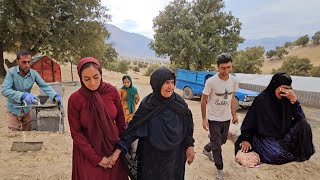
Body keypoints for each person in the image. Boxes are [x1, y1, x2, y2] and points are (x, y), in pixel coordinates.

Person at [115, 67, 195, 180]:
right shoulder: (148, 105)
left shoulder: (179, 103)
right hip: (151, 159)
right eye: (166, 82)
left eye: (172, 82)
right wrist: (119, 150)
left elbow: (188, 125)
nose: (170, 87)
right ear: (157, 83)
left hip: (175, 157)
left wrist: (189, 145)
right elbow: (133, 129)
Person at [67, 57, 128, 180]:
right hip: (88, 155)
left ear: (101, 73)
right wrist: (97, 159)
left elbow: (121, 123)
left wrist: (118, 151)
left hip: (113, 152)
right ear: (80, 78)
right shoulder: (75, 100)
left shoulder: (111, 91)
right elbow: (76, 133)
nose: (93, 83)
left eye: (96, 77)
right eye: (87, 79)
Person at [235, 72, 315, 164]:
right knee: (275, 155)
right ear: (274, 86)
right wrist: (246, 138)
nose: (285, 91)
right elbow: (250, 121)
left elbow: (301, 119)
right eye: (283, 88)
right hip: (266, 138)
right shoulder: (261, 100)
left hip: (284, 135)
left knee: (304, 124)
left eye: (288, 88)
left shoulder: (288, 99)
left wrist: (294, 101)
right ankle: (286, 151)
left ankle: (291, 151)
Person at [1, 50, 62, 131]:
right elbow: (5, 90)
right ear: (17, 61)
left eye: (29, 62)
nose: (27, 65)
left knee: (28, 134)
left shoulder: (34, 73)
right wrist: (22, 96)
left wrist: (55, 95)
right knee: (15, 135)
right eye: (24, 62)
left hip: (27, 109)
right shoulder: (11, 73)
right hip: (13, 109)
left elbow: (44, 86)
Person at [201, 53, 239, 180]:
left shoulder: (234, 81)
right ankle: (219, 169)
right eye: (223, 68)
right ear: (217, 67)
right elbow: (203, 100)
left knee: (222, 140)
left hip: (226, 118)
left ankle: (207, 148)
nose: (226, 70)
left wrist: (234, 114)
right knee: (217, 146)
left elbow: (232, 99)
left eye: (229, 67)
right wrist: (204, 118)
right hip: (213, 119)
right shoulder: (211, 81)